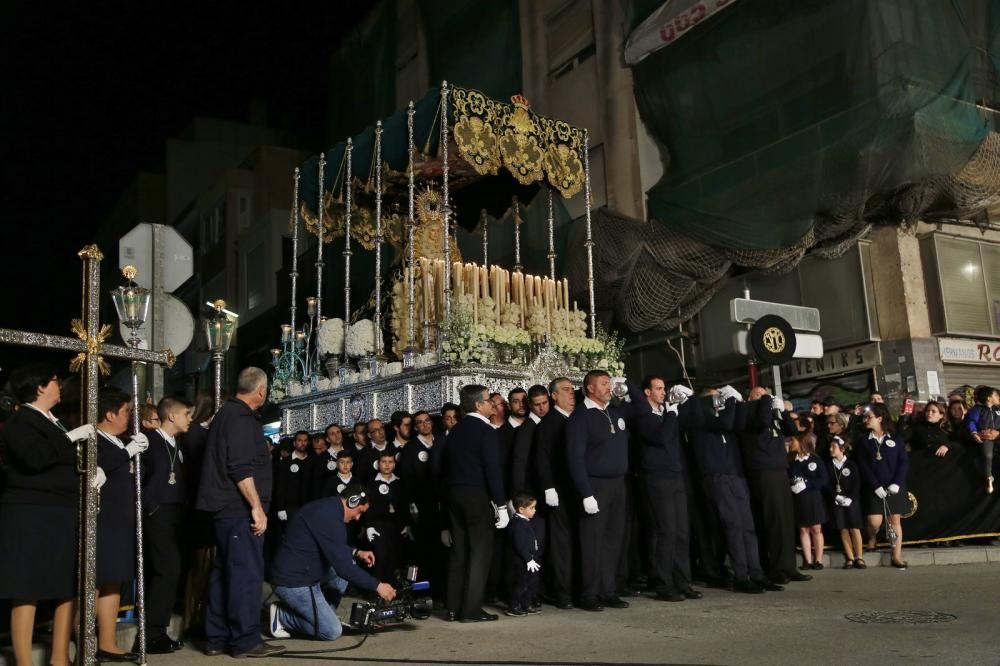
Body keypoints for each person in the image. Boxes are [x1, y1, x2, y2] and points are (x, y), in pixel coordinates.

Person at [0, 363, 87, 666]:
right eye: (54, 381)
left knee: (67, 583)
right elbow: (34, 458)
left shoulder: (55, 421)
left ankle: (60, 656)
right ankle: (23, 661)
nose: (59, 385)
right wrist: (70, 439)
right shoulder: (20, 421)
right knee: (27, 587)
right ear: (39, 387)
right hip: (31, 513)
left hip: (61, 511)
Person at [196, 367, 284, 658]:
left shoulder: (227, 414)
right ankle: (246, 640)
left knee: (224, 573)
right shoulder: (241, 418)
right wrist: (257, 508)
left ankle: (217, 637)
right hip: (237, 510)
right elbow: (240, 468)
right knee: (245, 575)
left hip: (225, 511)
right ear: (261, 391)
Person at [267, 484, 397, 641]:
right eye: (359, 512)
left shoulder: (329, 508)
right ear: (353, 501)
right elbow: (344, 568)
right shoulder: (329, 517)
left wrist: (357, 552)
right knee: (332, 631)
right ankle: (283, 616)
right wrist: (378, 585)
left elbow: (333, 545)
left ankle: (323, 616)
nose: (358, 518)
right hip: (293, 583)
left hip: (304, 572)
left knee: (348, 563)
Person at [681, 386, 777, 594]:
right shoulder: (699, 418)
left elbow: (738, 424)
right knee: (733, 526)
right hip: (716, 475)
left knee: (747, 526)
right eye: (716, 398)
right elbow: (721, 422)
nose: (720, 401)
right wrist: (729, 402)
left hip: (735, 474)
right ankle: (742, 576)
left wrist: (739, 402)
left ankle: (756, 573)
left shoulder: (725, 418)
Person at [433, 384, 508, 622]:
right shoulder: (486, 431)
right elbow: (492, 470)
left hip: (454, 496)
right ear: (478, 405)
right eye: (489, 401)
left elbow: (443, 471)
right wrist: (502, 505)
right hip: (476, 496)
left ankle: (454, 607)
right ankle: (471, 609)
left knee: (459, 552)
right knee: (479, 553)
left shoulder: (454, 432)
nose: (492, 404)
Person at [628, 376, 699, 603]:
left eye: (664, 388)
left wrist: (678, 408)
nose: (663, 392)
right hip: (656, 478)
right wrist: (671, 412)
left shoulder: (667, 413)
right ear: (647, 392)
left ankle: (682, 581)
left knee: (681, 531)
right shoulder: (643, 415)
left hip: (675, 476)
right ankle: (663, 583)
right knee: (665, 530)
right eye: (658, 389)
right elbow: (659, 437)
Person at [566, 370, 632, 611]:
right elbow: (575, 458)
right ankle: (589, 594)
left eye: (610, 383)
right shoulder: (580, 418)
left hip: (617, 485)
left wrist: (628, 389)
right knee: (592, 542)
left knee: (613, 541)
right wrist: (585, 492)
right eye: (604, 383)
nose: (609, 387)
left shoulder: (614, 411)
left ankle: (608, 590)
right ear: (590, 388)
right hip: (595, 485)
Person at [92, 389, 148, 661]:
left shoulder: (117, 441)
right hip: (104, 521)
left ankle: (107, 641)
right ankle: (86, 639)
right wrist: (128, 451)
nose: (130, 416)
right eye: (126, 411)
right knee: (95, 582)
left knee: (114, 582)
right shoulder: (93, 438)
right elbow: (98, 467)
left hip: (122, 521)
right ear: (110, 413)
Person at [737, 386, 810, 586]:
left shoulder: (770, 413)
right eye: (758, 395)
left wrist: (783, 411)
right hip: (763, 470)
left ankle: (788, 566)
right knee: (772, 520)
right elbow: (761, 424)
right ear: (750, 397)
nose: (764, 399)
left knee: (785, 520)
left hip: (779, 469)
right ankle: (774, 567)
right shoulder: (747, 412)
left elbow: (793, 431)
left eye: (765, 395)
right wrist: (767, 400)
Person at [140, 397, 193, 654]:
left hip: (175, 514)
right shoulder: (148, 441)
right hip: (157, 514)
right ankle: (152, 634)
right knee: (167, 569)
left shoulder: (177, 444)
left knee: (170, 571)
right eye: (186, 413)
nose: (189, 418)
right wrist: (152, 508)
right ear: (171, 416)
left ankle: (156, 631)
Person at [535, 377, 576, 609]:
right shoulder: (548, 423)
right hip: (558, 491)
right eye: (566, 390)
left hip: (576, 490)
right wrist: (548, 487)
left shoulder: (577, 418)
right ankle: (562, 593)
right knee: (562, 545)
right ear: (554, 396)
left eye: (572, 390)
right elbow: (542, 459)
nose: (571, 394)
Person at [396, 410, 445, 598]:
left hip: (442, 503)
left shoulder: (441, 441)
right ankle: (420, 593)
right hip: (423, 506)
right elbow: (407, 481)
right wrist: (410, 505)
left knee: (441, 550)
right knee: (422, 552)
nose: (424, 425)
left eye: (427, 421)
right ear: (415, 427)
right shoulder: (410, 448)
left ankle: (440, 591)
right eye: (420, 423)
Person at [856, 403, 908, 569]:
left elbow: (903, 463)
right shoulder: (864, 441)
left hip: (894, 486)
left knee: (894, 522)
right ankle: (872, 538)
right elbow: (863, 466)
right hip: (874, 487)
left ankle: (897, 556)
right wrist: (875, 486)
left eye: (869, 417)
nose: (866, 420)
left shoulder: (895, 438)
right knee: (874, 522)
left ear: (879, 418)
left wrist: (896, 483)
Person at [362, 449, 410, 581]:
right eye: (384, 462)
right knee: (380, 555)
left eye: (390, 462)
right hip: (378, 524)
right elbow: (367, 507)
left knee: (393, 556)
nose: (387, 465)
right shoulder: (371, 483)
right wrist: (369, 526)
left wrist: (406, 524)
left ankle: (390, 589)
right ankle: (377, 589)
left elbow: (404, 505)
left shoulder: (399, 482)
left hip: (396, 525)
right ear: (378, 464)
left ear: (394, 464)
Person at [787, 433, 828, 570]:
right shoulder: (792, 460)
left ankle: (819, 560)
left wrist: (807, 483)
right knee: (803, 529)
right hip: (799, 499)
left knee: (816, 528)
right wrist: (792, 486)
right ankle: (808, 560)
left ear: (801, 442)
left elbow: (823, 479)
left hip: (814, 498)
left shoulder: (815, 459)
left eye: (793, 440)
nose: (790, 443)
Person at [828, 435, 865, 569]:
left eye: (834, 447)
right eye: (830, 446)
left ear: (842, 449)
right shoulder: (829, 465)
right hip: (837, 501)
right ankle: (849, 557)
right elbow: (827, 485)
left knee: (854, 528)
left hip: (851, 501)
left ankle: (859, 557)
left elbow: (856, 483)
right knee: (843, 528)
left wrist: (850, 498)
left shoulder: (851, 464)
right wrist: (837, 497)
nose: (830, 449)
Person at [506, 493, 541, 617]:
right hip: (521, 561)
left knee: (528, 583)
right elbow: (519, 545)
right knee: (520, 584)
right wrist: (528, 559)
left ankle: (526, 605)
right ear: (521, 509)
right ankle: (514, 606)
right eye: (531, 508)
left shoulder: (524, 522)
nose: (534, 510)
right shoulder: (518, 524)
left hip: (528, 560)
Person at [274, 431, 314, 526]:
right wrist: (281, 508)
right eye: (300, 440)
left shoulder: (313, 460)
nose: (303, 443)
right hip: (290, 508)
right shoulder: (285, 462)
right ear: (294, 443)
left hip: (309, 506)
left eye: (305, 440)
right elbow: (280, 486)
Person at [964, 386, 998, 494]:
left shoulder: (998, 409)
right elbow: (971, 422)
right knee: (987, 454)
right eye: (996, 395)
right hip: (985, 436)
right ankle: (988, 476)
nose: (998, 397)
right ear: (988, 398)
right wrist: (974, 433)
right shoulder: (977, 409)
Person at [312, 423, 345, 499]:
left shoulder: (351, 453)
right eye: (332, 434)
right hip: (330, 499)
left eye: (338, 432)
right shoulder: (322, 458)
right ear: (327, 439)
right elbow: (317, 483)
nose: (337, 435)